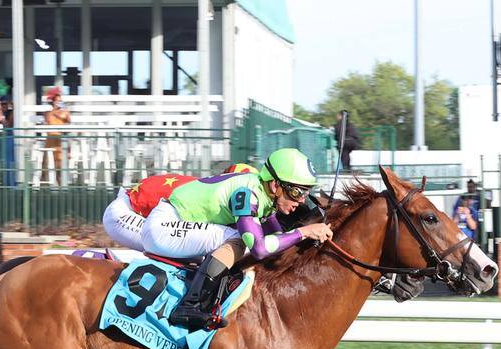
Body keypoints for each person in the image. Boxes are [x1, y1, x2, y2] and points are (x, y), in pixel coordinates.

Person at [141, 148, 332, 330]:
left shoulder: (263, 193)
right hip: (163, 226)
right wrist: (305, 232)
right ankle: (189, 306)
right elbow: (259, 248)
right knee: (238, 239)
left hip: (175, 223)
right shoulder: (247, 194)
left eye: (305, 193)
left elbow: (277, 237)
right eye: (297, 192)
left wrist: (302, 232)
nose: (300, 201)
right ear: (275, 185)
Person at [102, 164, 256, 251]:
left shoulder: (217, 190)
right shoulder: (215, 198)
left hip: (130, 207)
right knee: (191, 249)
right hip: (123, 213)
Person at [42, 86, 71, 180]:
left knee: (60, 161)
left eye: (60, 100)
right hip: (51, 139)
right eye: (57, 101)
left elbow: (68, 120)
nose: (59, 102)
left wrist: (64, 110)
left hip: (60, 140)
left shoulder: (64, 112)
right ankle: (45, 181)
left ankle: (60, 182)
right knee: (47, 161)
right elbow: (48, 120)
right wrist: (55, 110)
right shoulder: (48, 113)